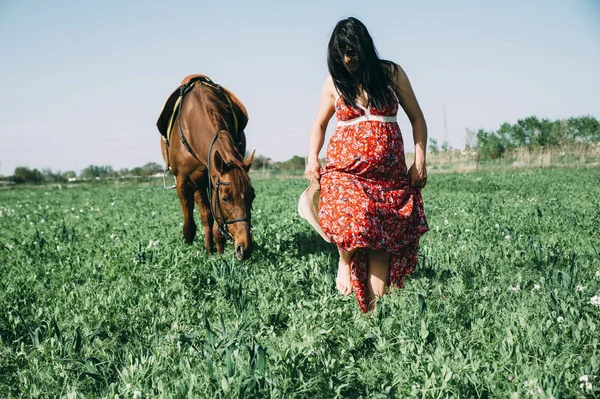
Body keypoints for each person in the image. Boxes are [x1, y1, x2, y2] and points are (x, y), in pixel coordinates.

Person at [305, 17, 429, 312]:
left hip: (388, 176)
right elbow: (319, 125)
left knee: (381, 245)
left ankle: (373, 312)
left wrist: (420, 159)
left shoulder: (391, 74)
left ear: (364, 48)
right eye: (341, 53)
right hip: (345, 170)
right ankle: (345, 259)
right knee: (352, 216)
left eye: (352, 51)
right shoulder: (334, 83)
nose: (347, 59)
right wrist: (312, 157)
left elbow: (417, 118)